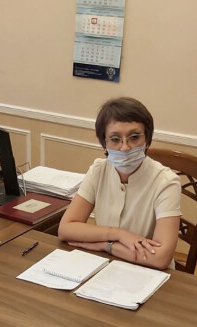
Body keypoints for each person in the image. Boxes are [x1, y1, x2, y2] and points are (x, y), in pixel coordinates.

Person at [57, 97, 181, 270]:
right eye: (115, 139)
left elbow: (160, 258)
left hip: (148, 271)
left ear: (147, 139)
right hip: (104, 267)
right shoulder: (98, 170)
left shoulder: (166, 182)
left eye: (134, 137)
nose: (125, 147)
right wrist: (118, 234)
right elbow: (65, 229)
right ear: (104, 143)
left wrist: (106, 245)